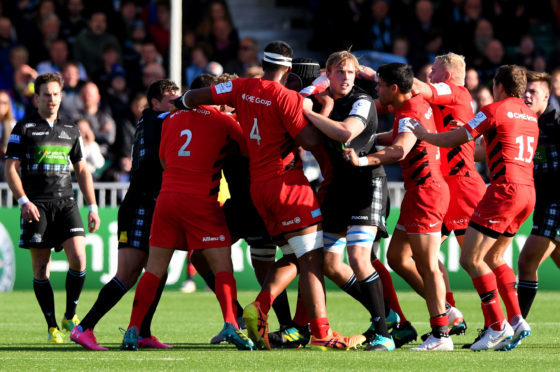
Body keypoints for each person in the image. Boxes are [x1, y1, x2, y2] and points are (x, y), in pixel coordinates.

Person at [176, 40, 365, 350]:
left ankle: (261, 311)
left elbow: (195, 97)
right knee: (311, 259)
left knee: (292, 256)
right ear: (288, 69)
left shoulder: (240, 87)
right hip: (286, 184)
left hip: (257, 188)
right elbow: (308, 138)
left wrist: (180, 103)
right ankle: (319, 333)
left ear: (263, 63)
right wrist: (324, 108)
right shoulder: (286, 97)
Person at [121, 78, 254, 351]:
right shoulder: (222, 120)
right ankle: (231, 324)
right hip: (201, 202)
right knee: (222, 268)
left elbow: (163, 160)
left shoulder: (170, 118)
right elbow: (250, 150)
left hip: (167, 199)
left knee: (154, 270)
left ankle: (133, 330)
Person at [412, 65, 538, 351]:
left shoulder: (494, 109)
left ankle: (496, 325)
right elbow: (493, 146)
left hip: (503, 190)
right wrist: (468, 135)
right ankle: (517, 320)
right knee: (495, 257)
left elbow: (455, 140)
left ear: (499, 86)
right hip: (527, 192)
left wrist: (423, 134)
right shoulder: (530, 116)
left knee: (471, 258)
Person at [344, 62, 453, 351]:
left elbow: (400, 149)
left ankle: (442, 332)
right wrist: (367, 140)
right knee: (397, 257)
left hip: (427, 194)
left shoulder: (410, 112)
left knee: (427, 266)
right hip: (418, 193)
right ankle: (448, 313)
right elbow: (396, 137)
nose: (376, 89)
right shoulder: (416, 102)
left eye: (379, 84)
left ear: (394, 88)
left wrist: (363, 159)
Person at [70, 79, 179, 351]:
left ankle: (143, 331)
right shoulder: (160, 120)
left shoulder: (148, 120)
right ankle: (84, 328)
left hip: (146, 204)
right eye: (170, 99)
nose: (176, 103)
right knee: (128, 274)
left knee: (158, 271)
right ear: (155, 103)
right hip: (140, 205)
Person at [303, 51, 394, 351]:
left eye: (351, 72)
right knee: (328, 262)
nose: (346, 78)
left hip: (367, 184)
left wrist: (311, 112)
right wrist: (314, 100)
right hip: (339, 188)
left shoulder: (362, 101)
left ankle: (384, 334)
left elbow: (345, 132)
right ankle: (384, 313)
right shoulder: (322, 100)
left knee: (358, 257)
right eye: (340, 72)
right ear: (327, 74)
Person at [3, 72, 100, 343]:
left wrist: (92, 206)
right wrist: (23, 201)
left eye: (56, 94)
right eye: (46, 94)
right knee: (41, 269)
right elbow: (10, 168)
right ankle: (51, 326)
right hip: (37, 205)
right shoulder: (23, 128)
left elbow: (82, 169)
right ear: (37, 98)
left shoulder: (71, 128)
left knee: (79, 259)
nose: (52, 99)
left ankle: (71, 314)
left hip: (66, 202)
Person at [408, 52, 486, 340]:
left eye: (434, 71)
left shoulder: (455, 92)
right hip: (443, 191)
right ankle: (449, 312)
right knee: (418, 255)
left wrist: (391, 76)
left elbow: (420, 87)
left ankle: (499, 322)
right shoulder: (447, 100)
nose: (429, 75)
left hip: (464, 192)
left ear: (447, 76)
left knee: (477, 262)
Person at [517, 71, 560, 320]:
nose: (527, 96)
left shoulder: (556, 121)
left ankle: (516, 324)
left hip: (556, 202)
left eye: (533, 91)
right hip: (542, 203)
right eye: (525, 91)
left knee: (526, 263)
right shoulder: (527, 123)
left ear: (547, 95)